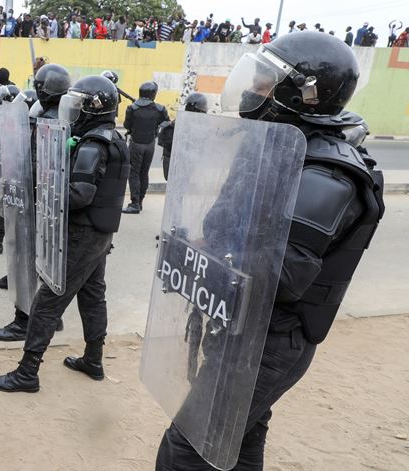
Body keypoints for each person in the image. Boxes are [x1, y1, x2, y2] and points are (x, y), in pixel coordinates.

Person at [156, 31, 385, 470]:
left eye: (263, 82)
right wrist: (194, 249)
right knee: (238, 442)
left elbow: (283, 274)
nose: (252, 90)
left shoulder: (326, 175)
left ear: (304, 93)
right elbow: (228, 227)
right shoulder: (276, 147)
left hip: (272, 339)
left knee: (188, 445)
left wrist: (208, 266)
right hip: (243, 324)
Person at [0, 75, 130, 393]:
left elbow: (80, 193)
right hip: (100, 233)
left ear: (93, 108)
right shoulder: (110, 136)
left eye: (80, 104)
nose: (74, 109)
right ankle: (93, 360)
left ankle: (28, 372)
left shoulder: (94, 144)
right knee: (93, 297)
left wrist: (44, 190)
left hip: (83, 232)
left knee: (48, 300)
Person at [0, 63, 72, 341]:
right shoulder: (64, 120)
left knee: (29, 259)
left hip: (36, 203)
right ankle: (50, 316)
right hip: (52, 206)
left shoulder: (47, 121)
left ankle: (24, 320)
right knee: (46, 262)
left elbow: (34, 168)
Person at [122, 81, 169, 214]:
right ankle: (140, 202)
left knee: (134, 174)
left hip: (136, 144)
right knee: (144, 173)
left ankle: (134, 203)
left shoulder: (132, 108)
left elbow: (126, 125)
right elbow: (165, 123)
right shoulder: (160, 109)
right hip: (150, 145)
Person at [156, 93, 207, 181]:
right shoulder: (190, 124)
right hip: (178, 164)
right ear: (198, 109)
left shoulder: (179, 121)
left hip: (172, 162)